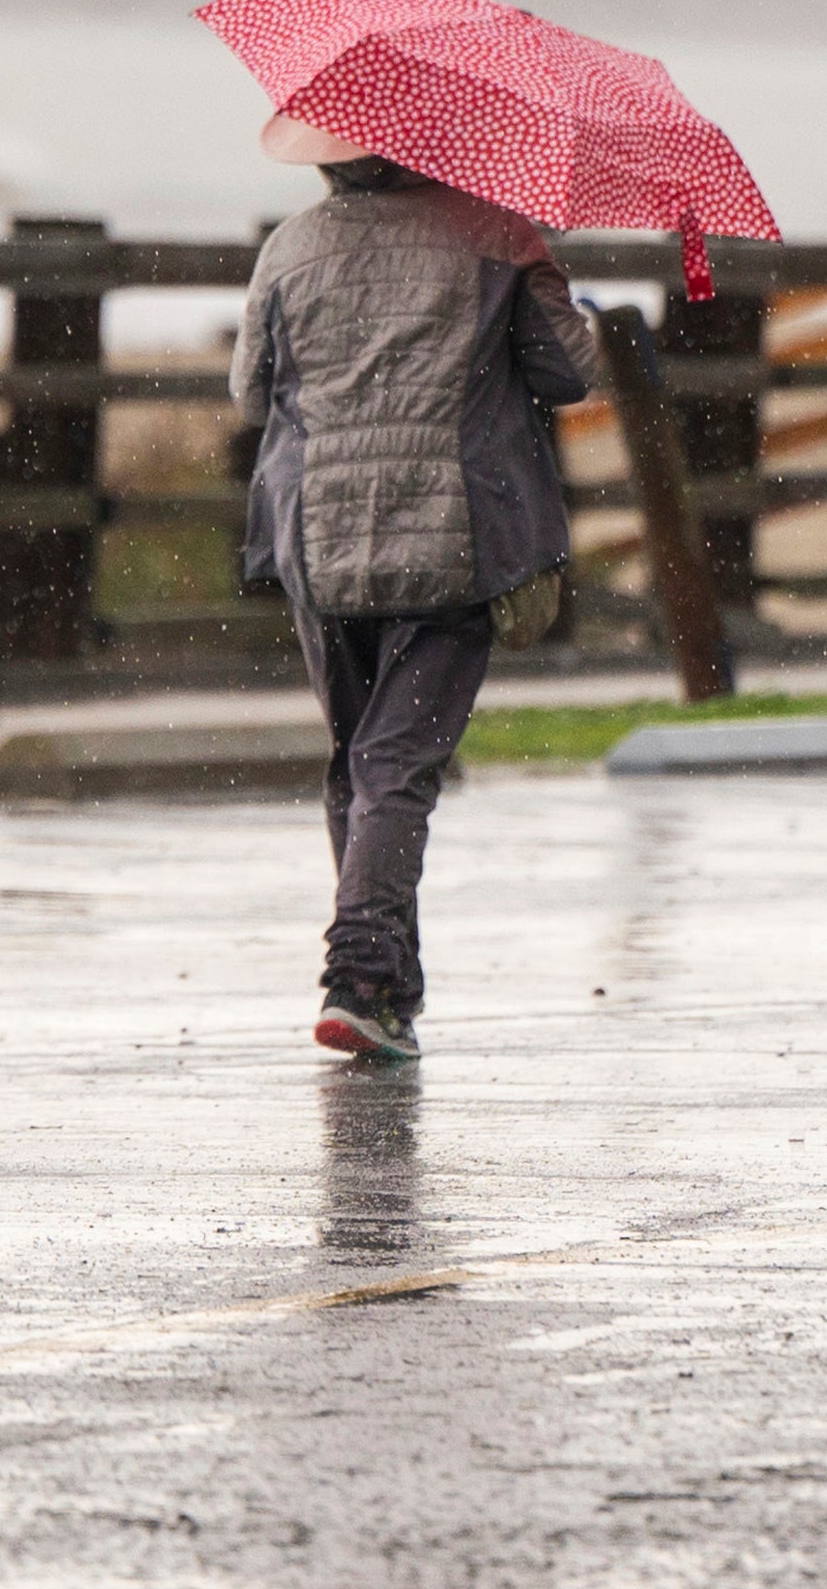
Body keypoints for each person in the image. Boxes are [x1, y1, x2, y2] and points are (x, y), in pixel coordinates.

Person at [225, 114, 602, 1065]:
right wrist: (557, 291)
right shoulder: (495, 234)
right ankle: (359, 975)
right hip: (451, 528)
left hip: (319, 531)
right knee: (398, 764)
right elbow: (568, 374)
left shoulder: (291, 247)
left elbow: (249, 390)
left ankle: (386, 992)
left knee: (358, 759)